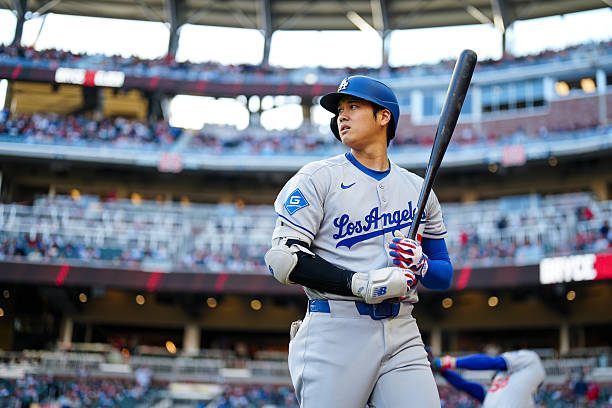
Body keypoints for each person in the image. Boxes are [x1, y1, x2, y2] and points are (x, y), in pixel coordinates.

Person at [264, 75, 453, 407]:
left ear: (384, 117)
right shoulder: (318, 177)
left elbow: (444, 274)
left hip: (402, 330)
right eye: (339, 110)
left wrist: (421, 264)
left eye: (353, 106)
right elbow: (282, 259)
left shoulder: (419, 189)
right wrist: (361, 283)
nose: (342, 116)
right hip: (336, 329)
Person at [429, 348, 545, 408]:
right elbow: (465, 386)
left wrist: (448, 362)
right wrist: (441, 370)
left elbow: (494, 362)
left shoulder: (531, 360)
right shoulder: (503, 388)